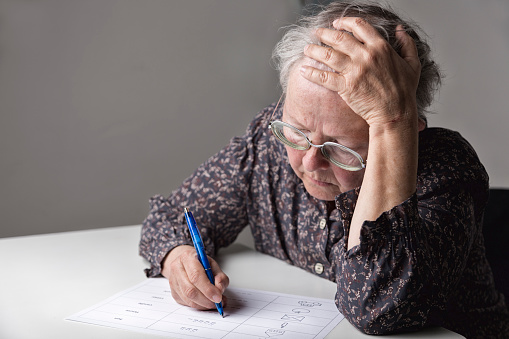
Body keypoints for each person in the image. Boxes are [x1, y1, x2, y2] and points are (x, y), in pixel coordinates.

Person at [139, 1, 509, 337]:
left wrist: (392, 121)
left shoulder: (445, 168)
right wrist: (176, 257)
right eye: (297, 131)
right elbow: (173, 214)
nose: (310, 161)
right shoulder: (270, 139)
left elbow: (377, 310)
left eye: (340, 148)